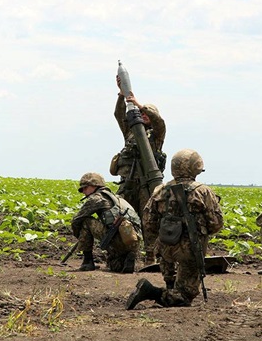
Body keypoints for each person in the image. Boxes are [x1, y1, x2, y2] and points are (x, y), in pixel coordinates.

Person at [125, 149, 223, 309]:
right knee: (185, 296)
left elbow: (148, 221)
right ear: (195, 167)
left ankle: (169, 289)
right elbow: (216, 223)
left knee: (174, 284)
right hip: (190, 249)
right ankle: (150, 292)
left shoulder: (161, 190)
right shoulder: (202, 191)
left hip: (164, 247)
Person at [110, 76, 167, 265]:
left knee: (148, 220)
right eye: (141, 114)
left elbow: (159, 122)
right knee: (121, 217)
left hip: (146, 186)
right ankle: (125, 255)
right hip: (128, 183)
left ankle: (151, 258)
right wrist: (122, 95)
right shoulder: (131, 131)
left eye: (147, 115)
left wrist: (139, 104)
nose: (143, 116)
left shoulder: (156, 135)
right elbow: (119, 115)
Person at [70, 172, 142, 273]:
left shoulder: (96, 198)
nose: (83, 191)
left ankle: (87, 262)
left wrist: (81, 237)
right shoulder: (117, 197)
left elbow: (76, 220)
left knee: (85, 221)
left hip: (119, 239)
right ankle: (128, 257)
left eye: (85, 188)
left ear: (94, 186)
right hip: (134, 241)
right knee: (115, 266)